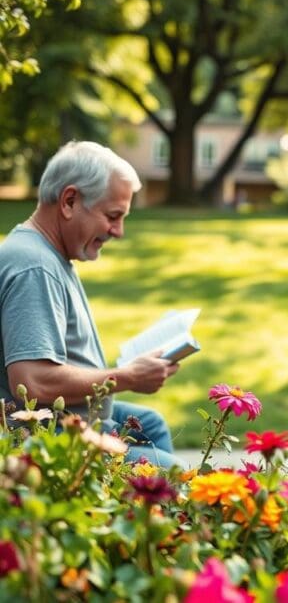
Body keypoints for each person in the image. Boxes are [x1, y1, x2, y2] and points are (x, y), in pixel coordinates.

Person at [0, 141, 185, 469]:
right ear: (69, 201)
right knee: (179, 475)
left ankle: (156, 512)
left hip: (75, 418)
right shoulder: (34, 265)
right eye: (113, 216)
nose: (119, 231)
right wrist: (125, 377)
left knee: (151, 424)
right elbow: (31, 382)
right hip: (52, 441)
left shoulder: (49, 253)